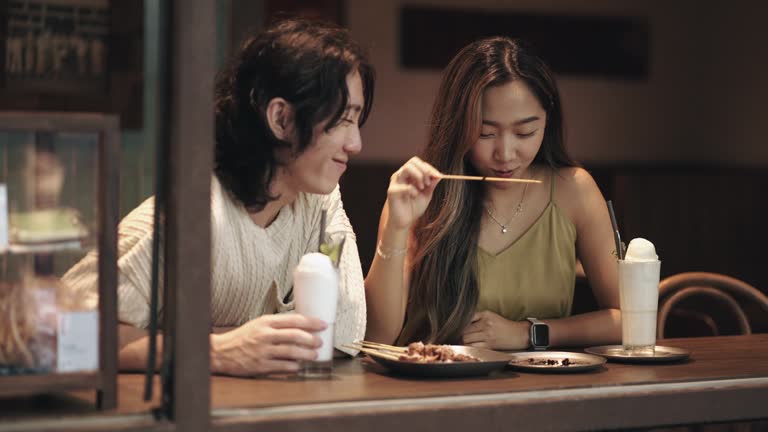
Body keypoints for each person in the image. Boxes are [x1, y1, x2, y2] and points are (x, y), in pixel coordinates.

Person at [63, 18, 374, 376]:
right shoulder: (193, 219)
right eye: (343, 121)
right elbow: (64, 333)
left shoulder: (319, 202)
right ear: (281, 119)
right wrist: (214, 350)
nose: (356, 144)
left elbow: (345, 331)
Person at [364, 37, 621, 349]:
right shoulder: (422, 195)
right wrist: (397, 228)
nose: (505, 153)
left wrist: (528, 333)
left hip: (542, 389)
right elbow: (376, 336)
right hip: (433, 389)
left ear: (547, 121)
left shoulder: (574, 190)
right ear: (458, 126)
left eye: (525, 132)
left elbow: (629, 320)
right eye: (485, 133)